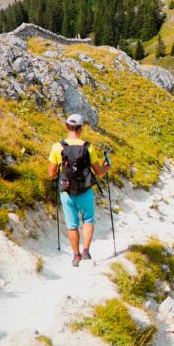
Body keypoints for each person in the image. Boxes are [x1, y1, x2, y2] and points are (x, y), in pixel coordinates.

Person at [48, 113, 110, 266]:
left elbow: (51, 173)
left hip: (66, 192)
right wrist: (106, 167)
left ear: (66, 127)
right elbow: (99, 172)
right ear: (81, 128)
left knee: (72, 225)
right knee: (88, 220)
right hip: (85, 190)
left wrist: (60, 174)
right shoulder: (88, 147)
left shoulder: (57, 147)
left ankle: (76, 256)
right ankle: (86, 251)